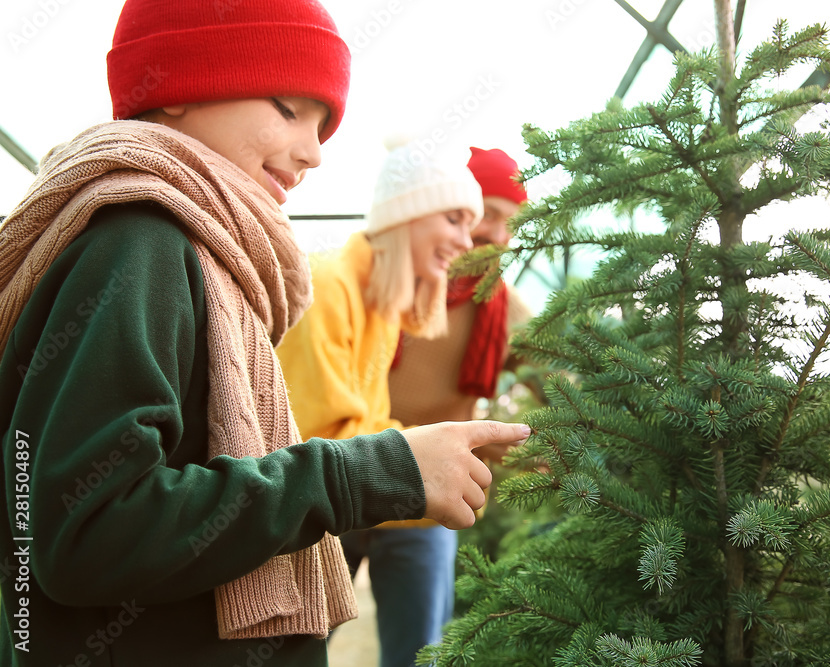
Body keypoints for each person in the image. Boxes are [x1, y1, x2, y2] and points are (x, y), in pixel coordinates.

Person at [0, 1, 529, 665]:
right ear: (175, 88)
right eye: (288, 106)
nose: (312, 152)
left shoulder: (197, 250)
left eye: (323, 125)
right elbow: (86, 532)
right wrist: (378, 469)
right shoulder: (140, 245)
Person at [276, 142, 488, 667]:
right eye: (455, 219)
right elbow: (322, 434)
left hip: (352, 506)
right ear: (409, 214)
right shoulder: (328, 286)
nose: (467, 241)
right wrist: (428, 455)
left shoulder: (381, 302)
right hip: (311, 514)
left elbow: (360, 424)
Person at [389, 147, 533, 459]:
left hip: (439, 488)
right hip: (352, 462)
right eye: (489, 214)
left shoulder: (509, 311)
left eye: (512, 224)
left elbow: (562, 384)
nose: (498, 235)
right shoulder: (390, 278)